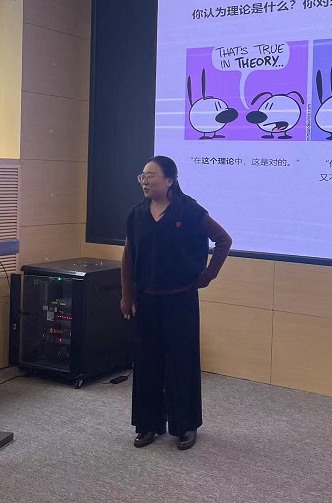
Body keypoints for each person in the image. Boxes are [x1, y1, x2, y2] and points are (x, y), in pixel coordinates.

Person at [120, 155, 232, 450]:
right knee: (147, 363)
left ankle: (185, 425)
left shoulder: (189, 210)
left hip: (180, 299)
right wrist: (127, 295)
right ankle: (148, 424)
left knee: (182, 362)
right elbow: (128, 256)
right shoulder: (137, 214)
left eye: (151, 176)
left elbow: (223, 240)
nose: (145, 181)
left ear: (170, 180)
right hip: (146, 300)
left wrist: (208, 275)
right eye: (143, 176)